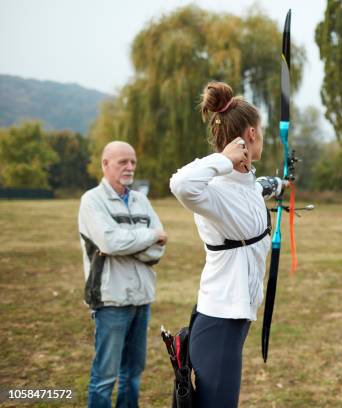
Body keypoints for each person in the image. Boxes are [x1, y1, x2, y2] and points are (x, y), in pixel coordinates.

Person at [169, 81, 282, 407]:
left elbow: (256, 188)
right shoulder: (214, 186)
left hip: (233, 316)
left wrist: (280, 183)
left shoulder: (243, 183)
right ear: (250, 133)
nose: (263, 136)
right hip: (219, 320)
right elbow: (181, 184)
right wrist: (223, 158)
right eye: (261, 130)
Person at [78, 141, 167, 408]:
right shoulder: (92, 200)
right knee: (105, 378)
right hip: (111, 300)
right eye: (122, 162)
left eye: (133, 162)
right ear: (105, 164)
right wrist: (149, 236)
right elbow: (109, 243)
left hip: (142, 298)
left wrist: (131, 243)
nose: (129, 167)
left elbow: (158, 252)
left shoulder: (141, 200)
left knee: (132, 375)